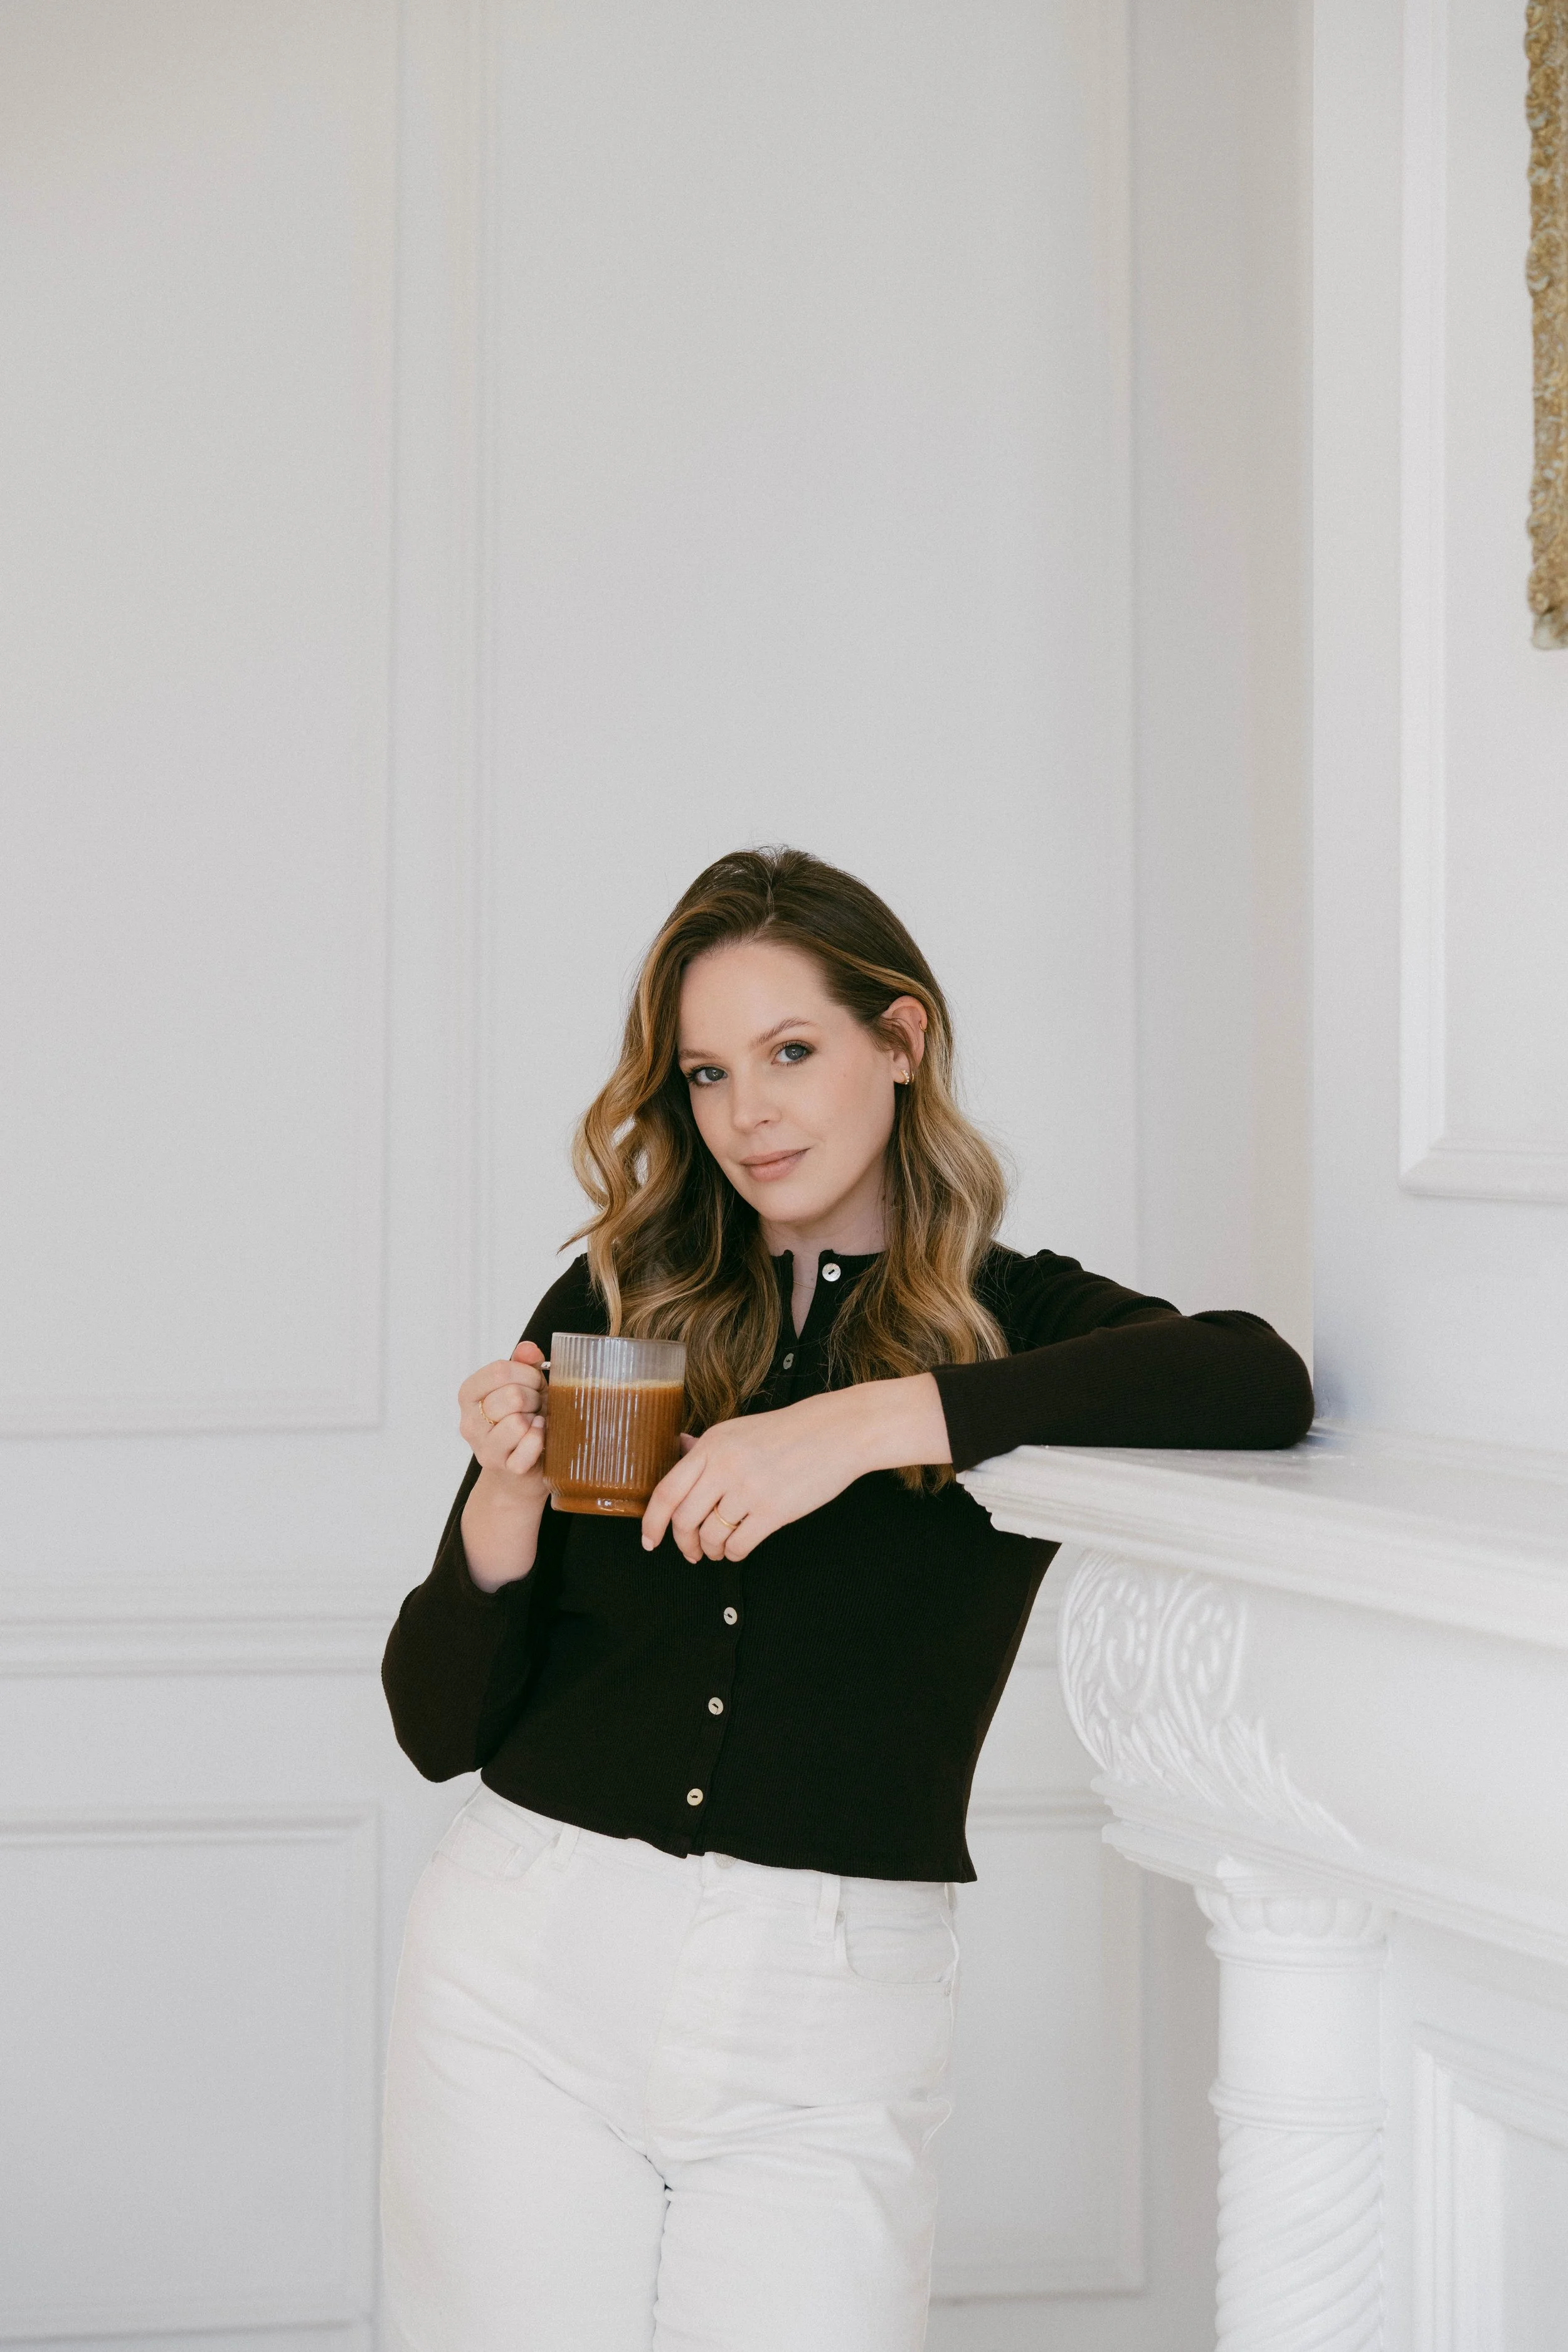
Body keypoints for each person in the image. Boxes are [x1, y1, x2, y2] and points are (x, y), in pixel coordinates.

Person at [379, 846, 1313, 2352]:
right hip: (526, 1967)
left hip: (832, 2016)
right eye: (704, 1074)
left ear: (900, 1040)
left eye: (791, 1052)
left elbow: (1255, 1380)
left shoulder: (1012, 1329)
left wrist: (867, 1425)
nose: (748, 1112)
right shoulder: (618, 1308)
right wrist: (503, 1492)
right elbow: (436, 1725)